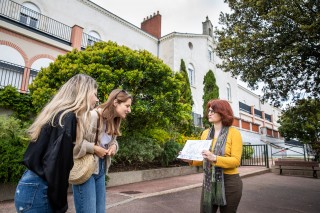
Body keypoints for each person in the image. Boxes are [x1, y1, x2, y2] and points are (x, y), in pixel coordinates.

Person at [14, 74, 98, 213]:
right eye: (94, 94)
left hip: (30, 185)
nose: (97, 99)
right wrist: (60, 206)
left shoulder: (58, 114)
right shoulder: (67, 117)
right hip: (40, 191)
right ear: (84, 93)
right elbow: (56, 166)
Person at [72, 89, 132, 213]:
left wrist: (114, 146)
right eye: (127, 106)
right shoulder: (93, 116)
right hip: (85, 169)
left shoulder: (115, 121)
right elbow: (74, 144)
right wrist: (94, 148)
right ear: (115, 102)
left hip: (101, 168)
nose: (129, 110)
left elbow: (111, 141)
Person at [183, 99, 243, 213]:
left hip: (230, 182)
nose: (209, 113)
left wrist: (214, 158)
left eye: (213, 111)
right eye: (209, 110)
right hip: (209, 181)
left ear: (223, 113)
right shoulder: (205, 133)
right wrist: (190, 160)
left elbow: (236, 161)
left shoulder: (234, 133)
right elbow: (202, 158)